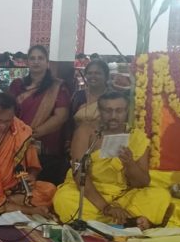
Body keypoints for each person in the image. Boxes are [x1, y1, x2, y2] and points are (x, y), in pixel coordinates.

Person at [53, 91, 172, 229]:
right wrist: (106, 207)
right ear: (100, 111)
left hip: (123, 194)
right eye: (108, 111)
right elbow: (79, 175)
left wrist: (130, 164)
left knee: (160, 195)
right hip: (90, 193)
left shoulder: (136, 137)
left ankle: (108, 222)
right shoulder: (86, 132)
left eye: (119, 111)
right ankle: (130, 221)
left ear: (126, 111)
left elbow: (142, 183)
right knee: (64, 199)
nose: (113, 116)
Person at [7, 45, 70, 185]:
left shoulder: (57, 86)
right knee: (18, 185)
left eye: (40, 58)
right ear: (27, 62)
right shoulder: (17, 85)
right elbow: (9, 112)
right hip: (18, 144)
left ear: (47, 62)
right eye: (32, 58)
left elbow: (61, 116)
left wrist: (31, 134)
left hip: (47, 147)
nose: (36, 61)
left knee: (44, 186)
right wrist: (22, 136)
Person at [70, 59, 110, 135]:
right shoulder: (78, 96)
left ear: (106, 76)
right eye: (89, 73)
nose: (93, 76)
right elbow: (69, 122)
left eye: (98, 73)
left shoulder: (112, 97)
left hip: (103, 138)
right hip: (77, 138)